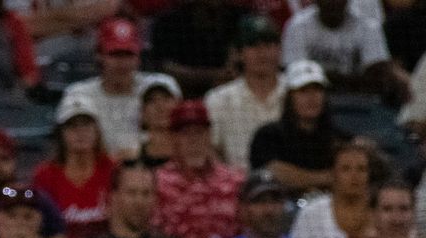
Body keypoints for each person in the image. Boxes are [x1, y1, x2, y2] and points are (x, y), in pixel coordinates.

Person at [60, 17, 171, 157]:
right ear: (99, 55)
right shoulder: (79, 93)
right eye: (115, 54)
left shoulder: (160, 86)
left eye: (128, 54)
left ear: (139, 57)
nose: (123, 63)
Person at [152, 99, 245, 238]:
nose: (193, 140)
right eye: (185, 133)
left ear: (209, 135)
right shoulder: (157, 182)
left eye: (199, 132)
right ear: (173, 138)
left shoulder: (235, 181)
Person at [248, 60, 350, 196]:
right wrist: (328, 177)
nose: (312, 97)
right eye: (303, 91)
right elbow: (276, 173)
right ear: (289, 97)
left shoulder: (339, 138)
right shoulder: (268, 135)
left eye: (317, 90)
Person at [31, 92, 116, 238]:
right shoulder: (45, 175)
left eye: (86, 124)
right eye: (72, 126)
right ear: (61, 133)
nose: (80, 131)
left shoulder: (113, 169)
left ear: (97, 130)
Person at [282, 0, 409, 102]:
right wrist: (354, 80)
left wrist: (326, 78)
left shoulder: (368, 26)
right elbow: (296, 77)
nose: (332, 2)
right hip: (313, 101)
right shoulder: (297, 26)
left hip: (360, 103)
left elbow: (377, 79)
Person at [204, 14, 285, 171]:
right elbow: (210, 150)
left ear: (279, 50)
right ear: (239, 54)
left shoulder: (295, 94)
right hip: (235, 187)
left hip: (290, 186)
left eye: (268, 45)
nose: (262, 53)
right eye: (253, 45)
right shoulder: (218, 99)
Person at [288, 140, 378, 238]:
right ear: (333, 173)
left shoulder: (383, 210)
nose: (354, 175)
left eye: (361, 169)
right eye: (346, 169)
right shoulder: (311, 214)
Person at [148, 0, 244, 98]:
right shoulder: (168, 21)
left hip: (232, 93)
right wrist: (213, 76)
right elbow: (164, 67)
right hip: (182, 96)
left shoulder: (240, 18)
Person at [131, 76, 180, 168]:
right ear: (142, 111)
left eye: (166, 99)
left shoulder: (196, 147)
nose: (160, 106)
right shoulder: (130, 152)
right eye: (151, 100)